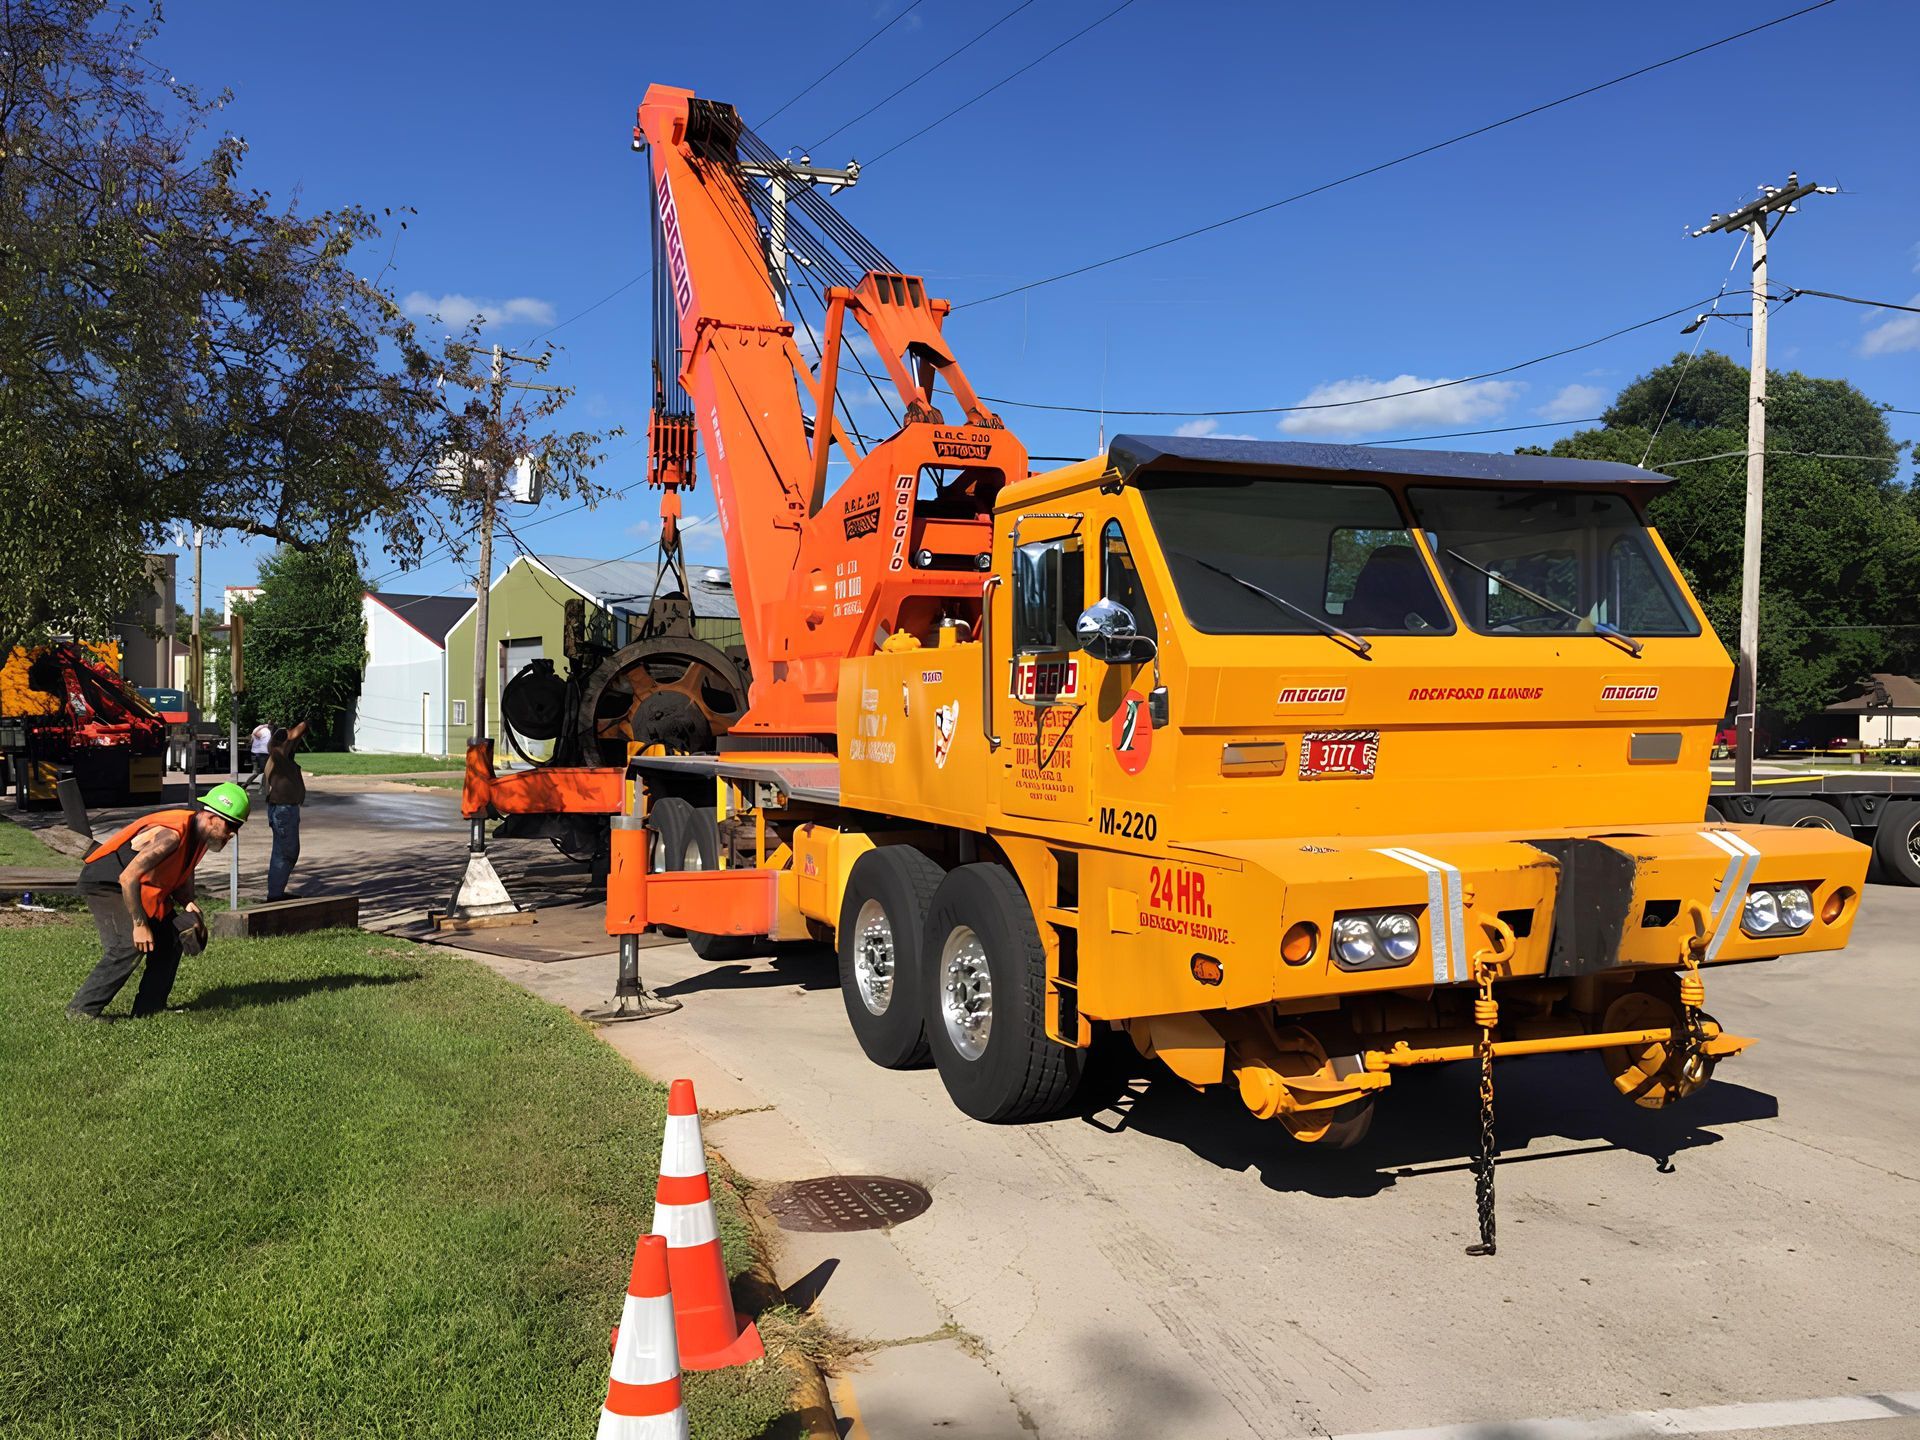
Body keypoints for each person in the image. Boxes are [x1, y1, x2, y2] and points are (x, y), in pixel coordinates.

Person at [67, 783, 250, 1020]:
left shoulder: (200, 838)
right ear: (211, 816)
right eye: (231, 825)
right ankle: (82, 1011)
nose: (232, 833)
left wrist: (188, 903)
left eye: (237, 827)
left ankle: (149, 1010)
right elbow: (128, 877)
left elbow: (180, 875)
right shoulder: (171, 835)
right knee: (130, 943)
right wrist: (140, 925)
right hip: (109, 882)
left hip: (141, 889)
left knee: (171, 938)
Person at [264, 719, 308, 902]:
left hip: (285, 810)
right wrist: (306, 719)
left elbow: (295, 737)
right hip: (283, 811)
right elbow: (298, 731)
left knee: (285, 852)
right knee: (285, 853)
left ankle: (277, 891)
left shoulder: (281, 758)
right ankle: (275, 895)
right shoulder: (277, 754)